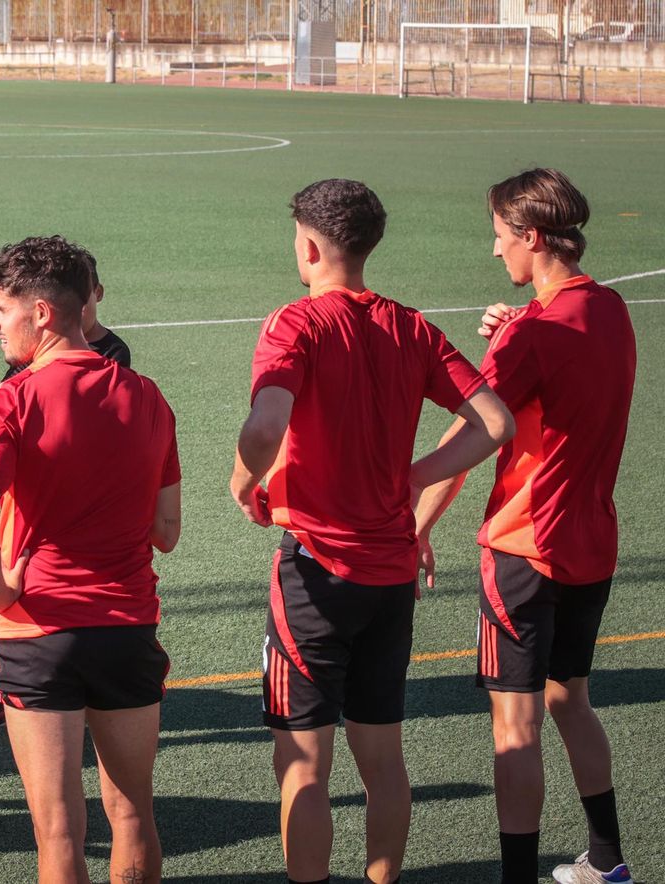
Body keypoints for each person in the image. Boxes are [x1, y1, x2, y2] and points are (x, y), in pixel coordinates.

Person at [229, 179, 514, 884]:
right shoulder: (411, 327)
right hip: (390, 575)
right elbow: (497, 424)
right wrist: (418, 476)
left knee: (303, 763)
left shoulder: (294, 323)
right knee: (383, 760)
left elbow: (266, 424)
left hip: (315, 578)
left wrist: (244, 483)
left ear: (310, 245)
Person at [415, 169, 637, 884]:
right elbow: (564, 383)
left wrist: (410, 512)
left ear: (533, 238)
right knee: (572, 698)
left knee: (515, 729)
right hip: (592, 542)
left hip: (522, 550)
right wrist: (518, 331)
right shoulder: (608, 309)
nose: (494, 252)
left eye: (500, 237)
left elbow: (468, 443)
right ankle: (606, 860)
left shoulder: (530, 337)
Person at [0, 235, 180, 883]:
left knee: (59, 831)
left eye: (1, 309)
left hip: (37, 633)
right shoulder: (149, 398)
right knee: (133, 813)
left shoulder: (6, 403)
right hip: (128, 629)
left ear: (44, 313)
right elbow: (166, 532)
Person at [0, 248, 131, 732]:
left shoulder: (111, 360)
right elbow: (165, 528)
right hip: (117, 604)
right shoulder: (28, 364)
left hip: (62, 545)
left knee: (9, 592)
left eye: (1, 311)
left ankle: (11, 693)